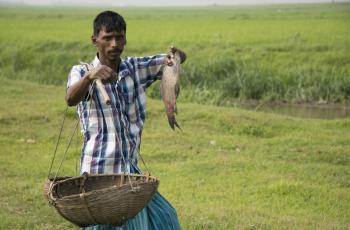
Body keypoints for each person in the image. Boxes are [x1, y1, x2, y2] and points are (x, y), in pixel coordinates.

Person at [65, 10, 186, 230]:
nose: (114, 44)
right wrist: (90, 77)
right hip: (98, 172)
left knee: (165, 217)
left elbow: (174, 60)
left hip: (129, 170)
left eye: (119, 37)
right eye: (107, 38)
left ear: (125, 39)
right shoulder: (81, 71)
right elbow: (71, 98)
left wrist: (175, 55)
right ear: (95, 40)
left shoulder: (135, 68)